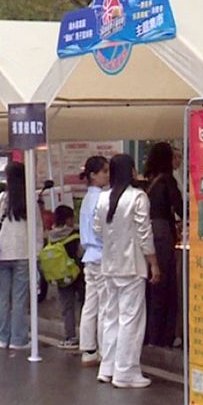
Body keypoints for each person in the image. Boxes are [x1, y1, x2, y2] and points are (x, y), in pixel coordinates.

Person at [93, 154, 161, 389]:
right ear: (130, 171)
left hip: (109, 266)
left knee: (111, 317)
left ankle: (107, 367)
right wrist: (153, 263)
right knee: (130, 319)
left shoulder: (103, 198)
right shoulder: (138, 197)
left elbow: (97, 229)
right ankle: (126, 371)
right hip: (131, 266)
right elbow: (145, 233)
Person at [0, 162, 42, 350]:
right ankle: (18, 339)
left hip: (0, 255)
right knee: (19, 299)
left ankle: (2, 337)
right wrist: (36, 254)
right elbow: (37, 230)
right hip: (24, 255)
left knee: (1, 297)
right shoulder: (30, 202)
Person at [143, 142, 182, 348]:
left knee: (150, 285)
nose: (178, 160)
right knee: (165, 285)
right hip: (162, 234)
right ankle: (163, 335)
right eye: (174, 156)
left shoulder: (147, 181)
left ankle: (148, 334)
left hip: (146, 233)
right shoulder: (168, 181)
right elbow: (181, 209)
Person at [78, 156, 109, 366]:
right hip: (101, 255)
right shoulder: (102, 199)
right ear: (93, 175)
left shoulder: (87, 199)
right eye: (104, 171)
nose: (107, 175)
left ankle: (88, 348)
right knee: (104, 306)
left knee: (90, 304)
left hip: (89, 255)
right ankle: (104, 351)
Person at [47, 205, 84, 349]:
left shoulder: (51, 236)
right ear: (68, 219)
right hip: (77, 274)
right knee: (84, 305)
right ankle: (87, 337)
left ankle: (70, 337)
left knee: (67, 307)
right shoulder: (75, 235)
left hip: (61, 277)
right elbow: (81, 253)